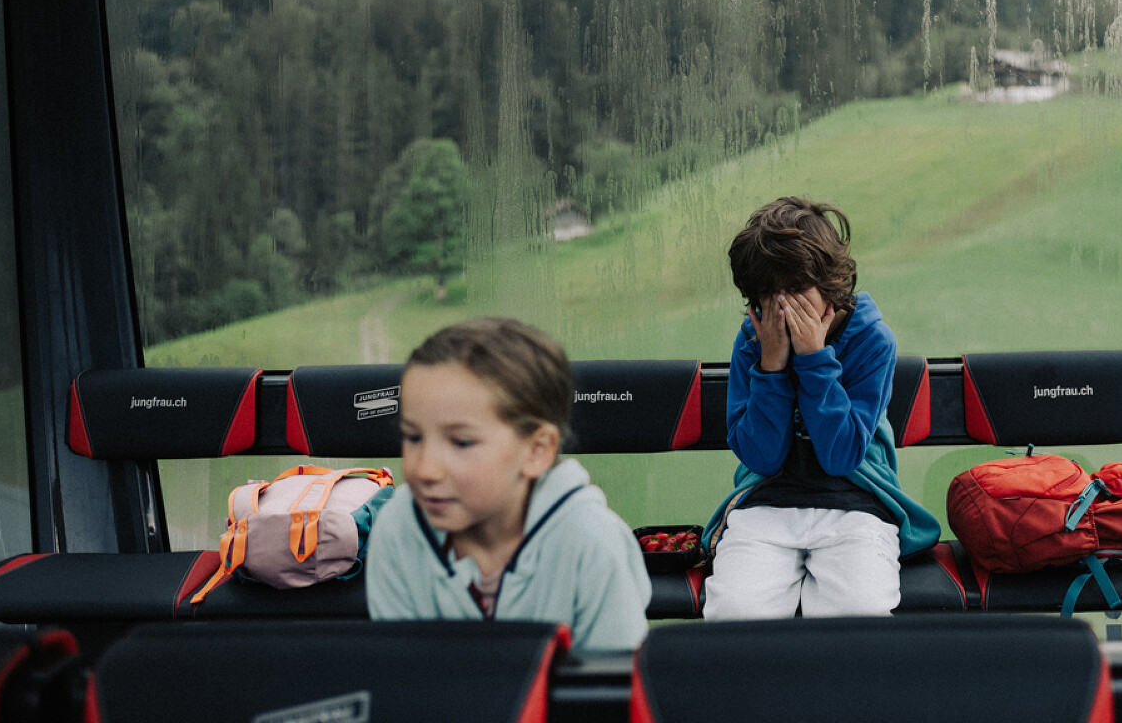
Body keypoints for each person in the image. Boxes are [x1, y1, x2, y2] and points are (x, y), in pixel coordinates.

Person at [701, 196, 939, 618]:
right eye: (767, 295)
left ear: (829, 282)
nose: (782, 306)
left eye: (795, 289)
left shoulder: (871, 340)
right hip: (769, 499)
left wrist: (813, 359)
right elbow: (761, 456)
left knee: (858, 610)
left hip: (857, 499)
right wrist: (771, 367)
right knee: (735, 611)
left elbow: (841, 455)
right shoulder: (754, 342)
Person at [367, 317, 651, 652]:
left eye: (461, 442)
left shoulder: (593, 545)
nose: (426, 469)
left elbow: (614, 692)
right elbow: (399, 681)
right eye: (413, 436)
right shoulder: (398, 530)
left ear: (536, 450)